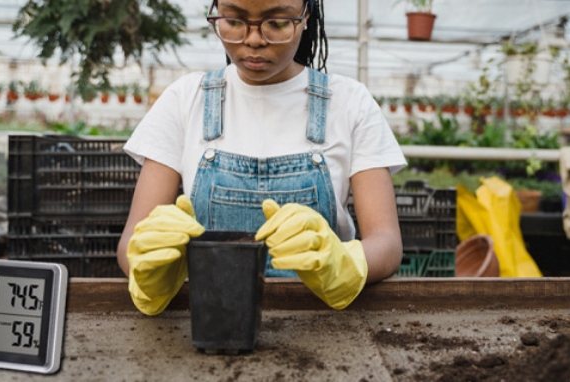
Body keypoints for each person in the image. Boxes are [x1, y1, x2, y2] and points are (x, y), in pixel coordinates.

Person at [117, 0, 407, 316]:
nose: (254, 39)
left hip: (321, 327)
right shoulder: (185, 100)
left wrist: (346, 263)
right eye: (234, 20)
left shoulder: (350, 103)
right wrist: (150, 265)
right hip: (212, 322)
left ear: (305, 16)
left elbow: (387, 242)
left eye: (277, 23)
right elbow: (131, 241)